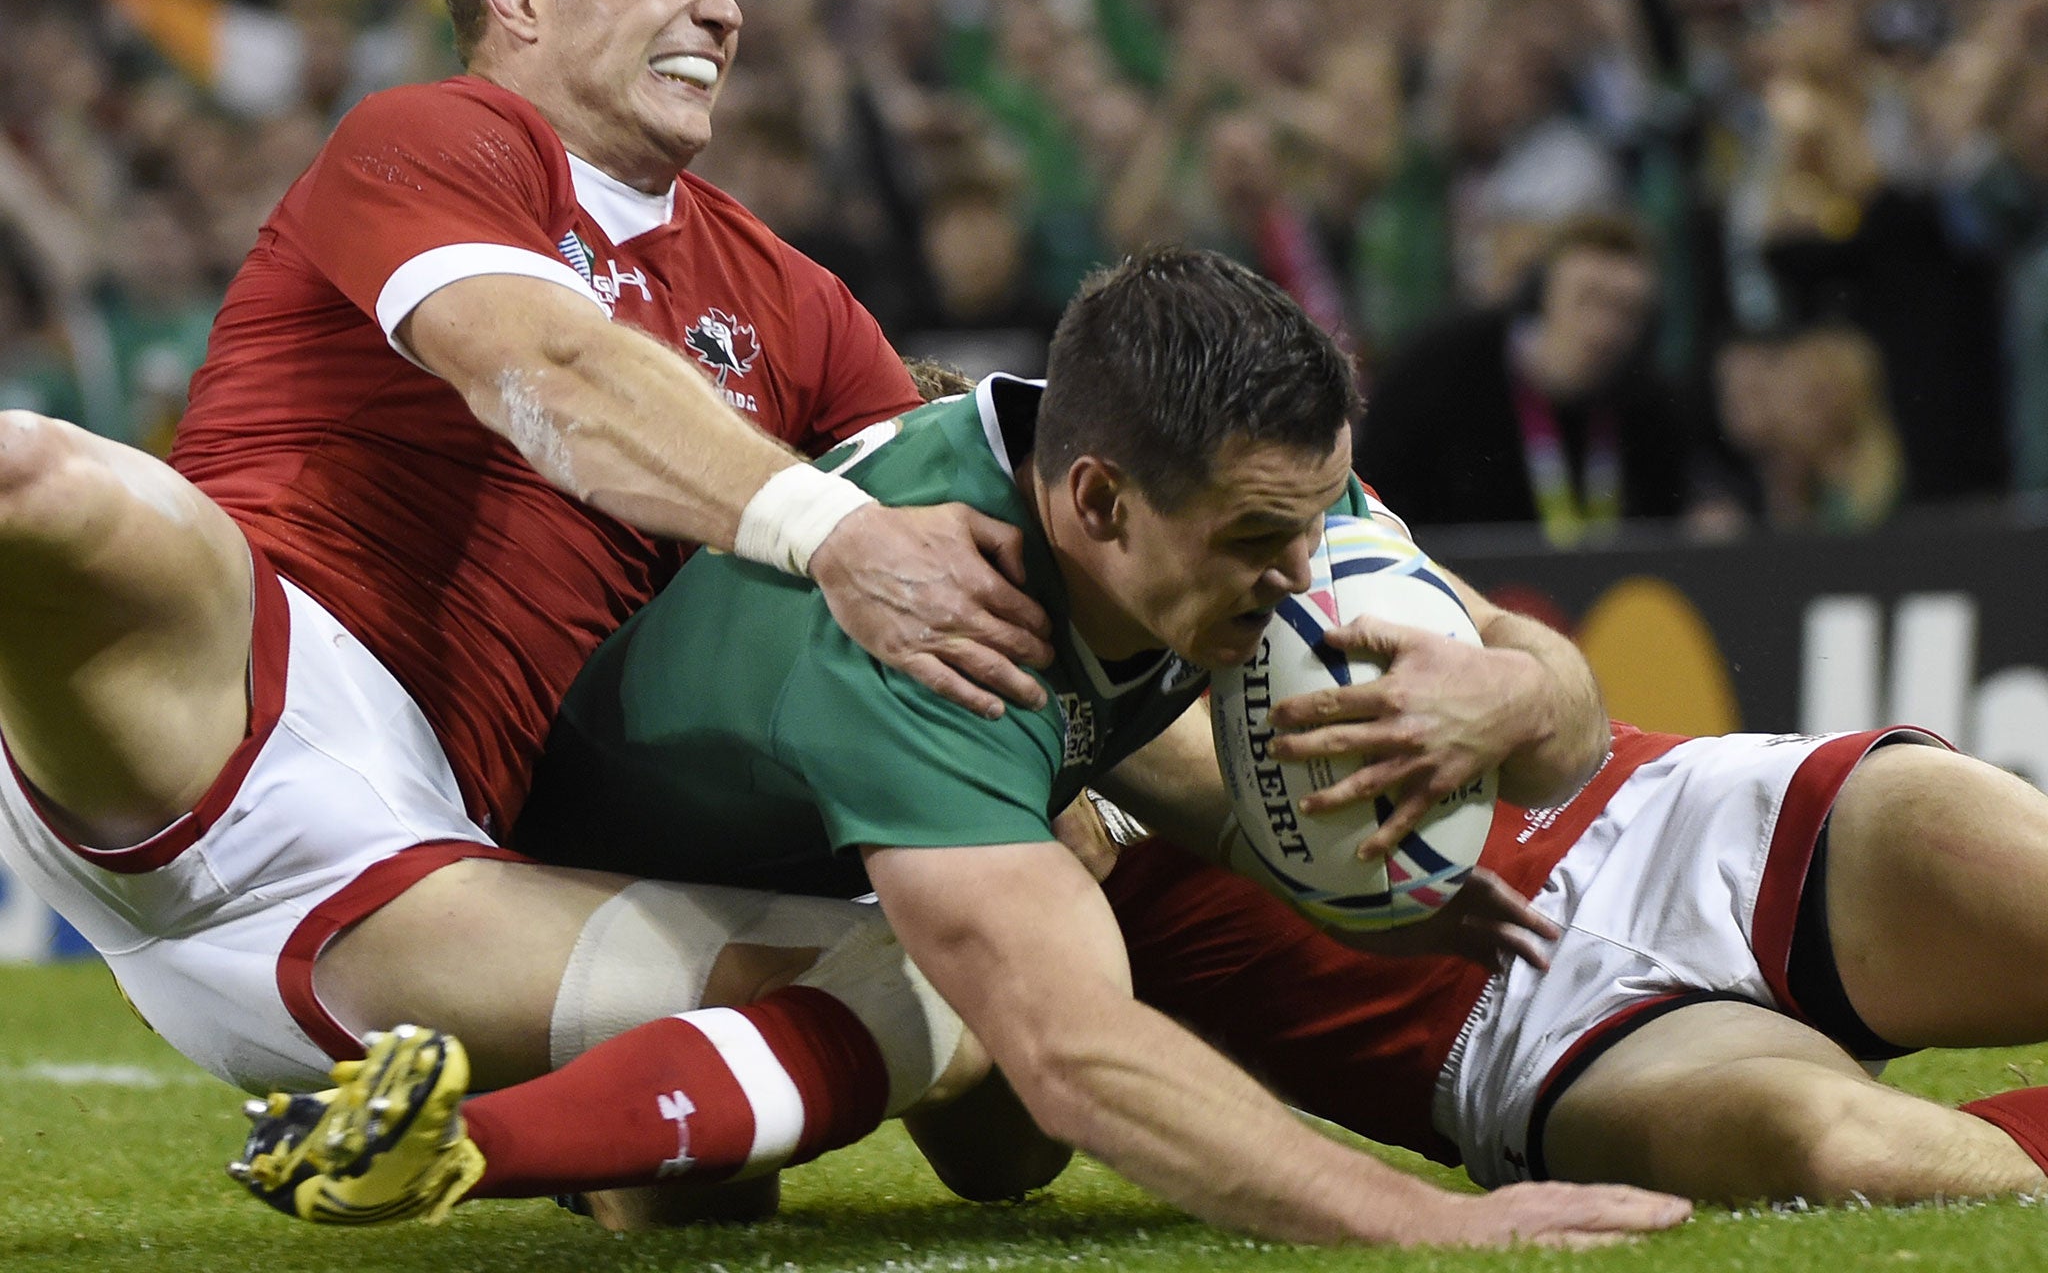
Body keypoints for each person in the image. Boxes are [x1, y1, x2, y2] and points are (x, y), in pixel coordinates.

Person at [0, 0, 1067, 1211]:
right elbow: (545, 368)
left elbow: (976, 552)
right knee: (37, 478)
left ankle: (550, 1145)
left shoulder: (799, 307)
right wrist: (835, 533)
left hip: (430, 890)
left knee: (984, 998)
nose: (725, 10)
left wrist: (1086, 816)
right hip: (245, 689)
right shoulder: (429, 135)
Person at [239, 247, 1690, 1247]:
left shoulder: (1246, 468)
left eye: (1320, 516)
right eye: (1264, 540)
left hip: (865, 816)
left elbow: (1542, 689)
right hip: (601, 894)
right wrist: (1429, 1221)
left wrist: (1505, 698)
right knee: (918, 1065)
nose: (1310, 571)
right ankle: (492, 1138)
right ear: (1099, 502)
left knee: (1006, 1165)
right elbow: (1082, 1059)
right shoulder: (940, 644)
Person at [1089, 718, 2048, 1207]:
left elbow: (1552, 683)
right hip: (1520, 1043)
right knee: (1840, 1152)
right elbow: (998, 1152)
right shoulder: (970, 805)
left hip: (1671, 811)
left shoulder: (1240, 522)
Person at [1353, 213, 1701, 545]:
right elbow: (1375, 484)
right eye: (1588, 299)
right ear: (1544, 293)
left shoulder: (1653, 409)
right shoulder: (1443, 366)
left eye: (1625, 309)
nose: (1604, 328)